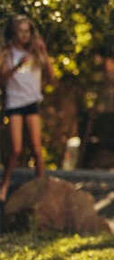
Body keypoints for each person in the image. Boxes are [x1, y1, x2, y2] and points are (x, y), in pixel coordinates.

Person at [0, 15, 55, 202]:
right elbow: (3, 78)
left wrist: (44, 52)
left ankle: (41, 187)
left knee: (37, 148)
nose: (24, 35)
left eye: (27, 31)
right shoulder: (7, 52)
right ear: (13, 33)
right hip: (15, 103)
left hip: (32, 102)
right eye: (20, 31)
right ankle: (4, 185)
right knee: (16, 149)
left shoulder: (36, 52)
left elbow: (51, 77)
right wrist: (17, 66)